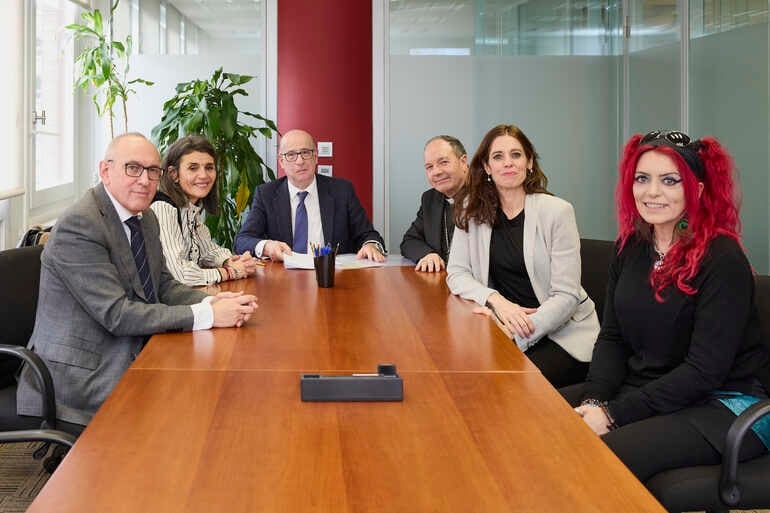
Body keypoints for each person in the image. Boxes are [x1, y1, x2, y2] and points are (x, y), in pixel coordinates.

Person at [560, 130, 770, 485]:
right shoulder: (630, 247)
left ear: (698, 189)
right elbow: (612, 337)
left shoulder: (723, 258)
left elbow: (704, 371)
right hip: (652, 389)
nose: (652, 192)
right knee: (536, 424)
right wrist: (596, 400)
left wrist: (612, 416)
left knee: (590, 462)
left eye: (670, 181)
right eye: (642, 178)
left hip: (724, 405)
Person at [16, 133, 258, 429]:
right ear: (105, 171)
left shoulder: (144, 218)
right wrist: (208, 314)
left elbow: (164, 286)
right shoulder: (81, 225)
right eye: (133, 168)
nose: (144, 180)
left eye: (152, 171)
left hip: (130, 345)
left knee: (219, 389)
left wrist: (213, 300)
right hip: (81, 374)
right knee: (189, 413)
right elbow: (117, 314)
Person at [447, 124, 599, 387]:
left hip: (560, 332)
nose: (508, 163)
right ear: (486, 167)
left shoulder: (557, 212)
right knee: (460, 374)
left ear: (529, 162)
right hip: (504, 322)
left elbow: (567, 296)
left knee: (508, 386)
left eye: (516, 155)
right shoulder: (470, 210)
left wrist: (518, 330)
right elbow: (457, 273)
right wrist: (496, 301)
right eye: (498, 156)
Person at [234, 129, 386, 262]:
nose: (300, 161)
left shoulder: (342, 191)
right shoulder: (266, 194)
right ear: (281, 161)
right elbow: (241, 240)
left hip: (331, 277)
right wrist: (267, 246)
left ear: (316, 157)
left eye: (305, 152)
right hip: (283, 279)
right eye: (291, 155)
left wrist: (370, 245)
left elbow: (368, 234)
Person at [150, 135, 260, 286]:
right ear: (173, 174)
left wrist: (232, 260)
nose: (203, 175)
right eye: (193, 168)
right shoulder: (163, 208)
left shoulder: (189, 208)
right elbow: (178, 274)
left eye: (209, 167)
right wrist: (229, 272)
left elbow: (206, 250)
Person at [400, 135, 469, 272]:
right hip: (441, 283)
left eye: (443, 162)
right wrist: (427, 254)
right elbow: (409, 241)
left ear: (463, 162)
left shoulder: (487, 196)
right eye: (429, 167)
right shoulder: (430, 199)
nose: (436, 172)